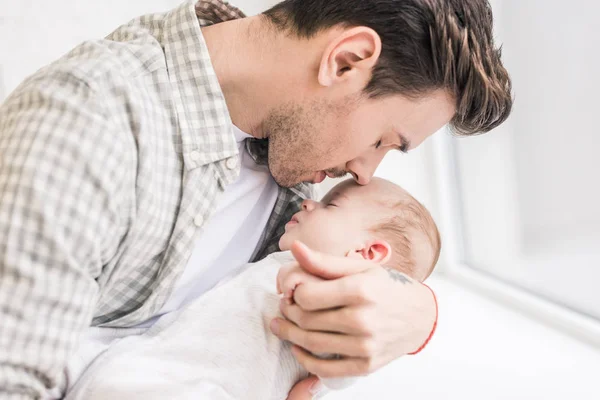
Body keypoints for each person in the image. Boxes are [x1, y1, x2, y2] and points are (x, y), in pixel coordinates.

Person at [0, 0, 512, 398]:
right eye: (382, 140)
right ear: (347, 60)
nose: (362, 173)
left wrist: (418, 313)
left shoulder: (289, 151)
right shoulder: (87, 119)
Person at [62, 178, 441, 400]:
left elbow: (344, 368)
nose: (310, 201)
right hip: (136, 363)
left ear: (366, 253)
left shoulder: (347, 307)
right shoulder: (278, 258)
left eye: (331, 205)